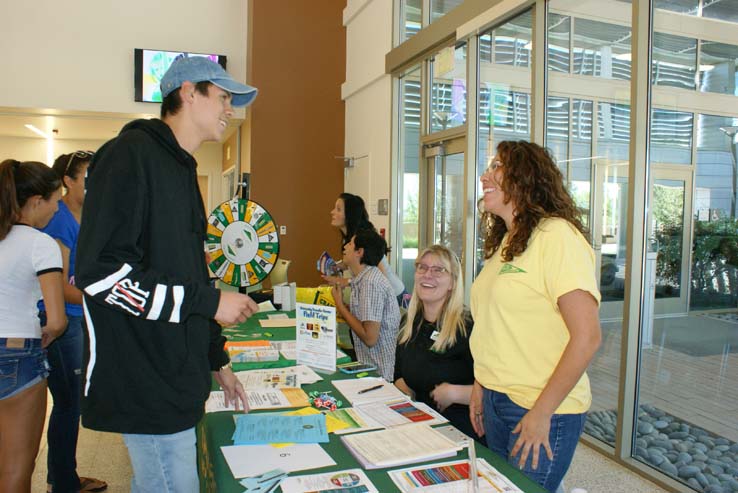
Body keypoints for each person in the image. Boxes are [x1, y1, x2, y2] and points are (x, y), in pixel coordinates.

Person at [75, 56, 260, 493]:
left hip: (176, 377)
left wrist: (218, 361)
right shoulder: (130, 156)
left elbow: (192, 275)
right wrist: (209, 303)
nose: (230, 109)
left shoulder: (181, 170)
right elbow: (99, 274)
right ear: (189, 91)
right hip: (146, 381)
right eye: (223, 97)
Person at [469, 141, 602, 493]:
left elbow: (587, 337)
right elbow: (496, 326)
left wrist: (542, 413)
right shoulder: (507, 243)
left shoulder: (558, 236)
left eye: (497, 166)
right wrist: (482, 385)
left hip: (541, 407)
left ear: (527, 177)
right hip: (498, 400)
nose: (485, 176)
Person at [37, 151, 107, 493]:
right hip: (64, 322)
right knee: (68, 405)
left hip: (80, 318)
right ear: (68, 181)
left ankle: (63, 476)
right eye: (87, 179)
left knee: (71, 404)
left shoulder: (85, 216)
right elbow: (60, 286)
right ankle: (63, 483)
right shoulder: (60, 221)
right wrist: (105, 301)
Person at [0, 159, 66, 493]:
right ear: (37, 201)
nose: (57, 209)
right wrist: (46, 336)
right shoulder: (41, 244)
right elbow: (56, 319)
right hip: (17, 356)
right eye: (55, 200)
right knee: (16, 469)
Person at [394, 244, 483, 443]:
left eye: (438, 270)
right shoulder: (409, 324)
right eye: (422, 267)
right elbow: (398, 375)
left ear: (452, 282)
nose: (427, 275)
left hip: (460, 432)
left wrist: (456, 393)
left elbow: (496, 392)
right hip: (419, 427)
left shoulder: (468, 327)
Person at [330, 229, 401, 381]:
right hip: (367, 366)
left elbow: (370, 338)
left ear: (359, 252)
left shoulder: (371, 283)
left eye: (349, 244)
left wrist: (340, 306)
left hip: (379, 374)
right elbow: (363, 319)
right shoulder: (362, 279)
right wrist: (344, 306)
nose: (345, 247)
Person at [328, 193, 408, 306]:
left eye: (338, 209)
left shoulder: (365, 238)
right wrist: (336, 265)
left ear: (350, 215)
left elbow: (379, 276)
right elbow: (359, 262)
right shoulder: (349, 239)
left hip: (395, 297)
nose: (332, 212)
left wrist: (347, 282)